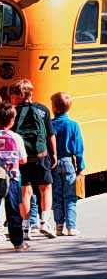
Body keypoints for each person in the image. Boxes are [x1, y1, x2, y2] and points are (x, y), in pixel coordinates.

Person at [9, 79, 57, 239]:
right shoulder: (43, 110)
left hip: (22, 158)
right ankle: (44, 222)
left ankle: (25, 228)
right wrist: (54, 154)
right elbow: (51, 134)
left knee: (25, 191)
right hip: (41, 155)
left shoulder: (13, 112)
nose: (11, 100)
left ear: (21, 95)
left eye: (13, 96)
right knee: (46, 188)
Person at [0, 102, 28, 253]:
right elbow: (23, 159)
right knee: (13, 210)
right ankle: (18, 243)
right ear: (12, 121)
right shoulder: (16, 138)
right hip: (12, 178)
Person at [51, 92, 85, 236]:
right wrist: (80, 167)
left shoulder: (50, 124)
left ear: (54, 108)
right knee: (70, 196)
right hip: (68, 163)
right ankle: (71, 227)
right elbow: (78, 148)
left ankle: (59, 227)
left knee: (57, 196)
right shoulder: (73, 125)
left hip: (53, 163)